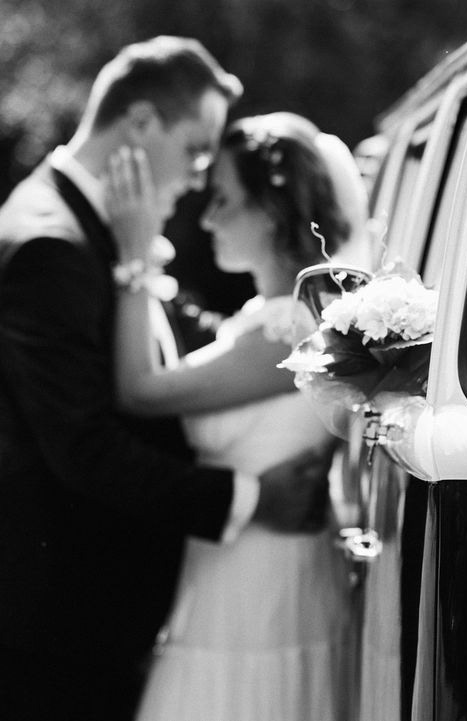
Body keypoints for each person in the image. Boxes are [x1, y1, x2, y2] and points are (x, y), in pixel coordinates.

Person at [0, 38, 330, 721]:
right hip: (58, 621)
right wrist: (250, 498)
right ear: (142, 122)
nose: (200, 173)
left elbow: (183, 336)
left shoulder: (105, 231)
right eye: (195, 149)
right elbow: (83, 446)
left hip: (115, 616)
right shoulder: (49, 244)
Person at [106, 111, 366, 721]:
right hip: (233, 572)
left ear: (270, 211)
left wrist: (134, 259)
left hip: (264, 584)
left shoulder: (292, 329)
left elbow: (140, 392)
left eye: (222, 199)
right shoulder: (265, 316)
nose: (207, 219)